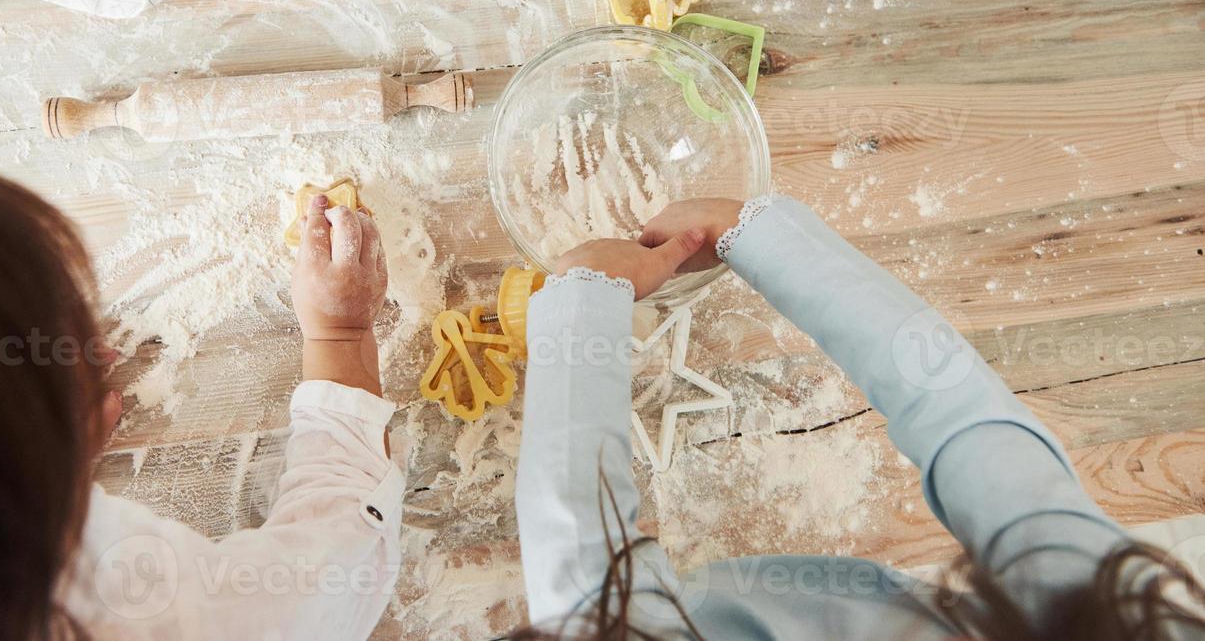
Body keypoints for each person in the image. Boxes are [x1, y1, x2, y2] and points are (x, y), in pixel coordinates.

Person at [0, 141, 400, 640]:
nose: (93, 350)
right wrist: (341, 334)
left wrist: (40, 426)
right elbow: (319, 587)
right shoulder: (108, 601)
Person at [513, 194, 1205, 640]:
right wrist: (755, 236)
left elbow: (582, 572)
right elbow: (967, 424)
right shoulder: (1086, 611)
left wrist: (584, 300)